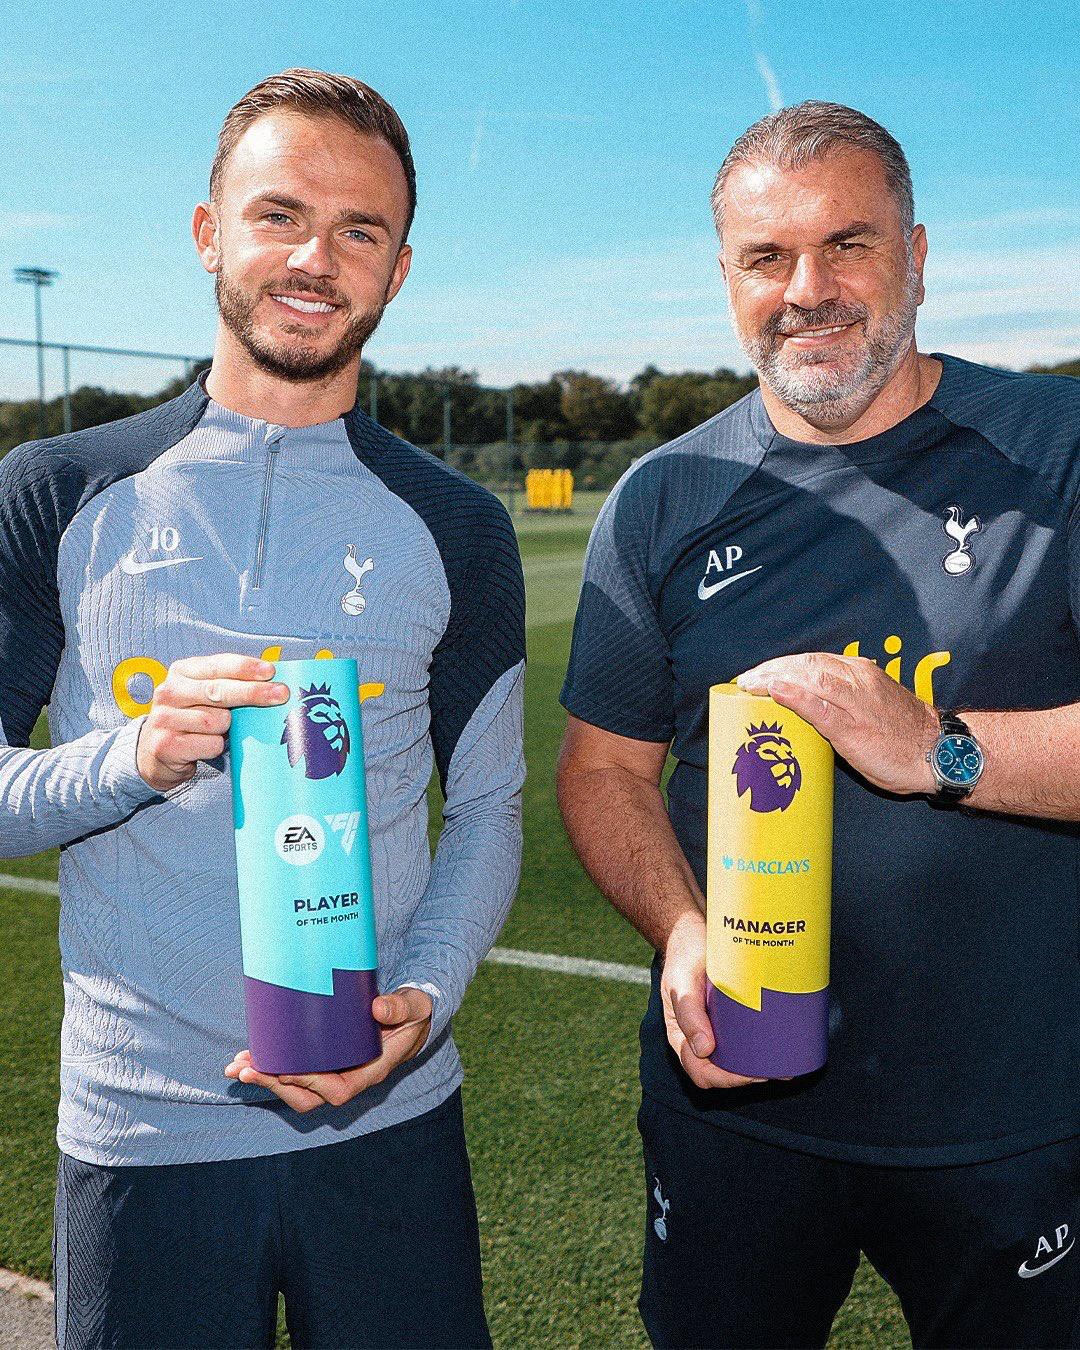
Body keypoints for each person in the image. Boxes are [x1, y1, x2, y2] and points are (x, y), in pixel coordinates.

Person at [0, 69, 524, 1349]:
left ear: (399, 269)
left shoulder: (458, 524)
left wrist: (423, 998)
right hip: (142, 1134)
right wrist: (131, 756)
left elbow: (493, 803)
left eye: (361, 231)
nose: (315, 258)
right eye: (279, 214)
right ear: (209, 233)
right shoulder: (55, 488)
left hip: (389, 1122)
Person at [557, 101, 1079, 1349]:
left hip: (1011, 1119)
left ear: (915, 252)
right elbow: (602, 771)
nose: (809, 289)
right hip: (734, 1111)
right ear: (728, 276)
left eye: (849, 244)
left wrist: (945, 751)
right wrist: (681, 930)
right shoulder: (662, 497)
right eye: (766, 257)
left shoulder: (1056, 450)